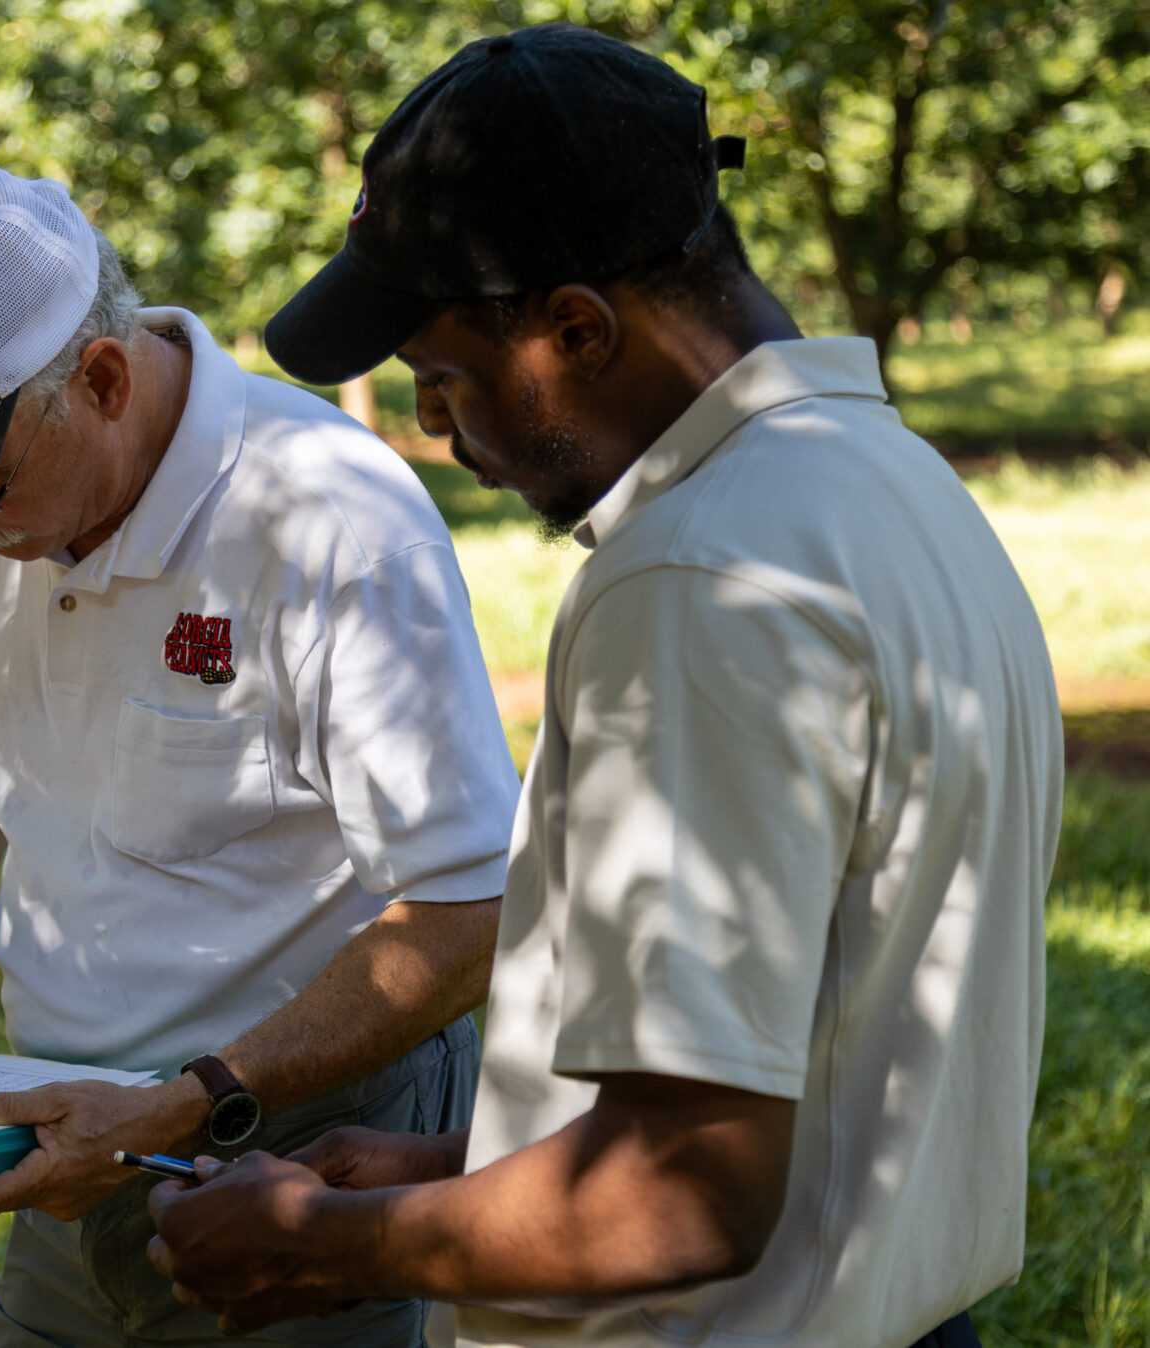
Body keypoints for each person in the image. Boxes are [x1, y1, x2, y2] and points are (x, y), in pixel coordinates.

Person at [146, 24, 1062, 1348]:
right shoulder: (889, 487)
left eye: (446, 384)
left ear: (573, 329)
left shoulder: (696, 581)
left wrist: (323, 1245)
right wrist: (472, 1163)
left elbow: (680, 1200)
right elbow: (797, 1075)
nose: (447, 441)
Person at [0, 159, 523, 1346]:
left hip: (302, 1159)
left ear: (104, 379)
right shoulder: (0, 510)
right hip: (60, 1150)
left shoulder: (327, 517)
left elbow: (466, 906)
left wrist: (179, 1111)